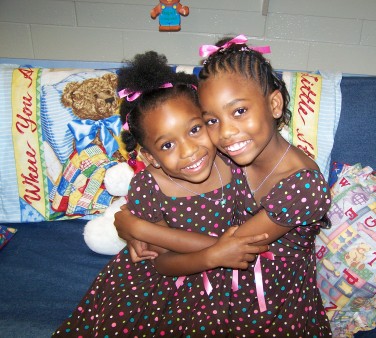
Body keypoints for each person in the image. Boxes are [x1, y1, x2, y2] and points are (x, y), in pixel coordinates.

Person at [115, 35, 333, 337]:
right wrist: (137, 218)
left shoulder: (303, 185)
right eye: (212, 121)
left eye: (239, 111)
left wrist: (138, 229)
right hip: (220, 273)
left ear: (274, 103)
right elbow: (168, 179)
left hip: (271, 292)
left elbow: (235, 246)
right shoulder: (233, 153)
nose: (227, 133)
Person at [52, 50, 269, 337]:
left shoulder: (234, 161)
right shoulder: (148, 187)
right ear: (149, 156)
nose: (189, 151)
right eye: (167, 145)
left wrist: (135, 227)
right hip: (165, 280)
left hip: (230, 275)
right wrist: (213, 256)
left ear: (209, 120)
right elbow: (163, 262)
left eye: (195, 129)